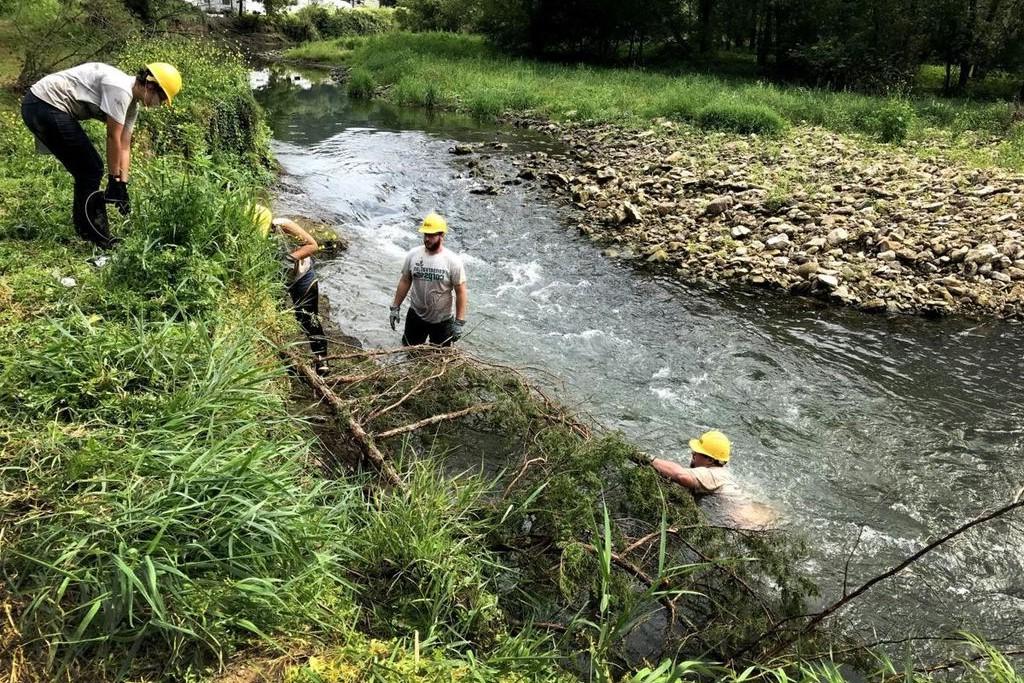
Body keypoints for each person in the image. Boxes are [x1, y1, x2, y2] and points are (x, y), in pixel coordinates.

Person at [20, 61, 182, 248]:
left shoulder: (132, 106)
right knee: (91, 169)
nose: (159, 105)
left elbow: (124, 144)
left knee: (86, 171)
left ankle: (87, 232)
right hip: (43, 103)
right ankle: (98, 237)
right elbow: (113, 137)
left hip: (42, 106)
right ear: (151, 86)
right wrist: (113, 179)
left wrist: (122, 184)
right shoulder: (120, 89)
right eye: (161, 99)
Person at [647, 430, 777, 528]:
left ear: (710, 459)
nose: (693, 454)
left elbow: (682, 476)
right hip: (760, 519)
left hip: (744, 524)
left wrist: (646, 458)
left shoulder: (711, 474)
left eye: (696, 452)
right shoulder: (725, 474)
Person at [255, 205, 329, 376]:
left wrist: (290, 258)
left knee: (307, 316)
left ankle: (321, 359)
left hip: (302, 275)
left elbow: (313, 245)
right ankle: (277, 355)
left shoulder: (283, 225)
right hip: (275, 278)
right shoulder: (247, 234)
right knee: (272, 315)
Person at [389, 212, 468, 346]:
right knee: (409, 352)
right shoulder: (413, 255)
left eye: (431, 235)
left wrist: (459, 322)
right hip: (416, 315)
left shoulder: (453, 261)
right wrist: (395, 307)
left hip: (442, 320)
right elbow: (405, 281)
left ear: (442, 235)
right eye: (425, 234)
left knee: (440, 358)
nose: (427, 239)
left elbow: (461, 292)